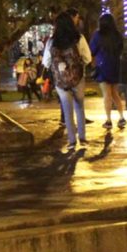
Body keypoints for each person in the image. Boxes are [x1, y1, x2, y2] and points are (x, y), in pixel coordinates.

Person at [43, 10, 92, 151]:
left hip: (61, 81)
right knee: (79, 107)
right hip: (78, 78)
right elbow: (88, 58)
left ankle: (71, 141)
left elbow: (46, 62)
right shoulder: (79, 38)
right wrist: (77, 66)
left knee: (67, 109)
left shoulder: (52, 41)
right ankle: (82, 138)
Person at [89, 13, 127, 129]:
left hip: (103, 67)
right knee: (115, 93)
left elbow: (92, 50)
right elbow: (121, 49)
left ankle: (109, 120)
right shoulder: (117, 35)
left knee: (107, 94)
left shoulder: (97, 35)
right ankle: (121, 117)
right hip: (115, 66)